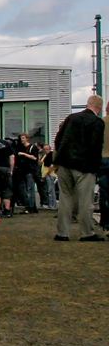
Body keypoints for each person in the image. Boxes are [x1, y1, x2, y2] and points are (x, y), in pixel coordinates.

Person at [53, 94, 106, 241]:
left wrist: (58, 158)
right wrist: (96, 167)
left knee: (65, 198)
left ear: (87, 104)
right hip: (84, 166)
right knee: (85, 201)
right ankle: (86, 233)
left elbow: (58, 139)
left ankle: (62, 233)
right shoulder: (97, 122)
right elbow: (96, 146)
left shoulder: (71, 118)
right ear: (99, 108)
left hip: (65, 163)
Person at [13, 132, 40, 213]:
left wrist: (24, 154)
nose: (22, 140)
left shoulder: (32, 148)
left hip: (30, 171)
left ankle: (31, 207)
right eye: (21, 138)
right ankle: (30, 205)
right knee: (25, 189)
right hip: (23, 171)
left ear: (27, 139)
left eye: (23, 138)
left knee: (30, 189)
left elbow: (35, 158)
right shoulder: (21, 148)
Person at [39, 145, 58, 210]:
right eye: (45, 149)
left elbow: (52, 166)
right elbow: (41, 163)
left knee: (51, 190)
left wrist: (47, 173)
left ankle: (53, 205)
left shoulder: (51, 155)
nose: (46, 151)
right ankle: (49, 203)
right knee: (47, 190)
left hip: (50, 175)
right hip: (45, 174)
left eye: (47, 149)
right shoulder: (45, 156)